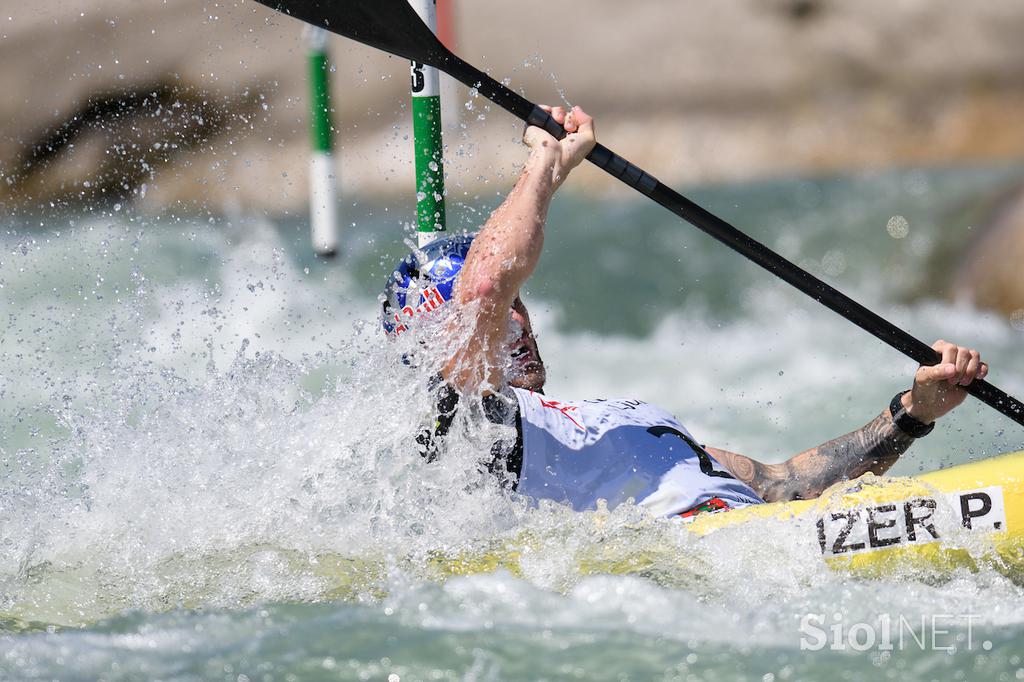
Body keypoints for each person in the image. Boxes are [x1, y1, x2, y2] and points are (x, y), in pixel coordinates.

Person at [382, 105, 990, 518]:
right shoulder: (467, 427)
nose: (513, 320)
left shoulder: (616, 422)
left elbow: (786, 487)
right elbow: (486, 284)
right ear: (432, 350)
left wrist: (913, 414)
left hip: (761, 544)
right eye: (494, 315)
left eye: (520, 305)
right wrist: (547, 161)